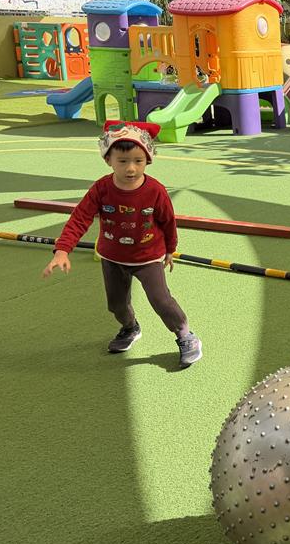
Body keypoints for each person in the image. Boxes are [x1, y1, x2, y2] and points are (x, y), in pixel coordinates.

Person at [42, 121, 202, 368]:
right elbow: (80, 218)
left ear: (148, 160)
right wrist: (63, 250)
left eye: (138, 161)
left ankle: (185, 334)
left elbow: (168, 221)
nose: (131, 168)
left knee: (161, 300)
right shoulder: (101, 189)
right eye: (123, 161)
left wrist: (170, 249)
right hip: (113, 257)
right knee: (116, 304)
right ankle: (130, 328)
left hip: (148, 257)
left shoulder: (155, 191)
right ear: (108, 160)